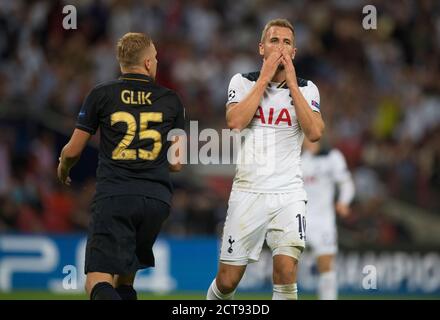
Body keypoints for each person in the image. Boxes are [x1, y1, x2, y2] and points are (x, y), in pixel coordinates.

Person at [57, 32, 185, 300]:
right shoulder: (172, 101)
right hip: (156, 201)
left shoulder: (101, 94)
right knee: (124, 281)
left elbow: (73, 150)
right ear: (149, 63)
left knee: (96, 280)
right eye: (156, 58)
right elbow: (176, 164)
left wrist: (63, 168)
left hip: (116, 197)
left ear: (121, 63)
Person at [206, 18, 325, 300]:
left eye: (287, 43)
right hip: (248, 191)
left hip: (288, 193)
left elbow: (316, 132)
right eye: (274, 41)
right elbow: (235, 121)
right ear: (261, 48)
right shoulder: (242, 81)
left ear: (294, 52)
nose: (280, 47)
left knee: (285, 271)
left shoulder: (308, 89)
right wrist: (265, 78)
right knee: (227, 281)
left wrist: (293, 86)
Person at [301, 139, 355, 300]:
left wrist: (344, 202)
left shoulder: (332, 157)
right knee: (288, 265)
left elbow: (346, 183)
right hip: (299, 220)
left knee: (326, 266)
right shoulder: (299, 161)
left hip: (323, 221)